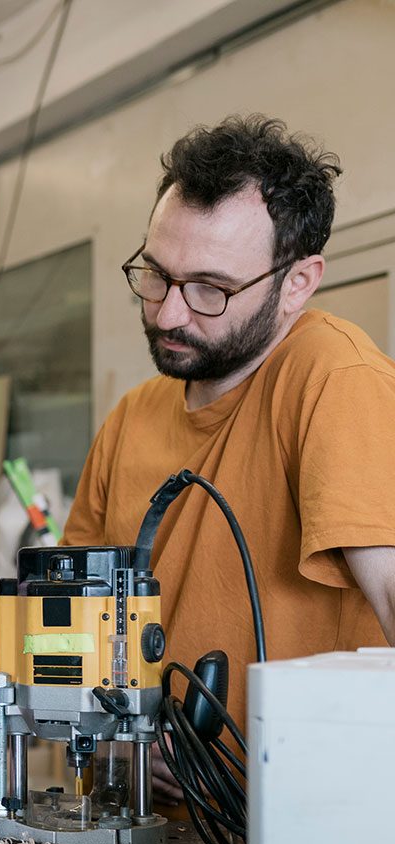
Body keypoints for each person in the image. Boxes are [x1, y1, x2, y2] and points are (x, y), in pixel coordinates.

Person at [66, 115, 395, 742]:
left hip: (302, 820)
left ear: (297, 282)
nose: (168, 311)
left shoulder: (335, 378)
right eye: (156, 274)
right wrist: (123, 742)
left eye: (210, 290)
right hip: (150, 818)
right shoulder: (131, 419)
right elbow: (77, 627)